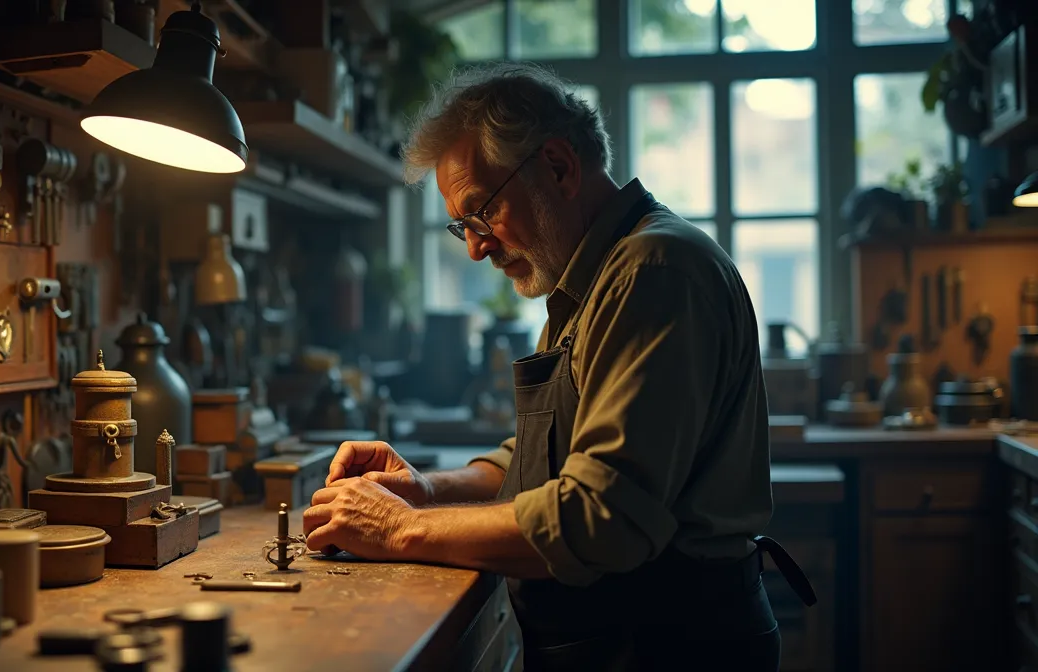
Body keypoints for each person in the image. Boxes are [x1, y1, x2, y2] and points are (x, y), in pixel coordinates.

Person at [302, 63, 815, 671]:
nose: (475, 247)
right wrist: (425, 488)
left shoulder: (653, 271)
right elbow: (540, 459)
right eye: (462, 225)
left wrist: (401, 529)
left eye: (482, 212)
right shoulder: (588, 280)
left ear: (558, 167)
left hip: (669, 647)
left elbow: (600, 517)